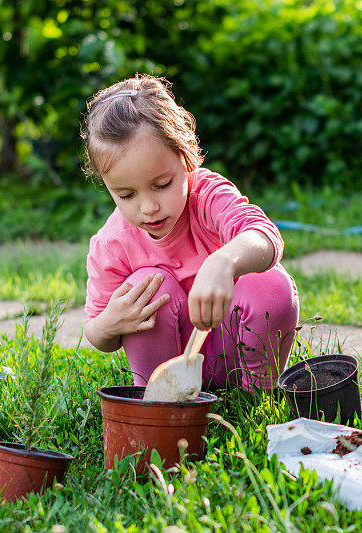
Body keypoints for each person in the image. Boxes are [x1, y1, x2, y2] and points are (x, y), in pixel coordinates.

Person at [81, 74, 299, 392]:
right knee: (145, 289)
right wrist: (109, 323)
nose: (148, 207)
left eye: (162, 184)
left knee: (270, 282)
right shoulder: (113, 244)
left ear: (186, 156)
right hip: (170, 367)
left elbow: (264, 235)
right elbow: (96, 333)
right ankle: (160, 398)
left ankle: (260, 394)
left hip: (233, 348)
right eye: (126, 194)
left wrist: (224, 262)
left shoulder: (207, 196)